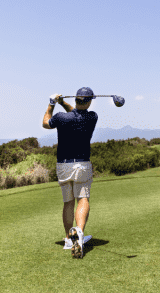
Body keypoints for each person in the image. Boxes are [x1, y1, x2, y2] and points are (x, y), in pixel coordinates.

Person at [42, 87, 98, 259]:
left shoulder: (61, 117)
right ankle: (79, 233)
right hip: (82, 164)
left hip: (63, 165)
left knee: (68, 202)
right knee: (83, 199)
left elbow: (46, 123)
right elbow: (76, 113)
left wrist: (52, 104)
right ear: (88, 101)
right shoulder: (92, 117)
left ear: (76, 99)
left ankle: (68, 239)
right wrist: (62, 103)